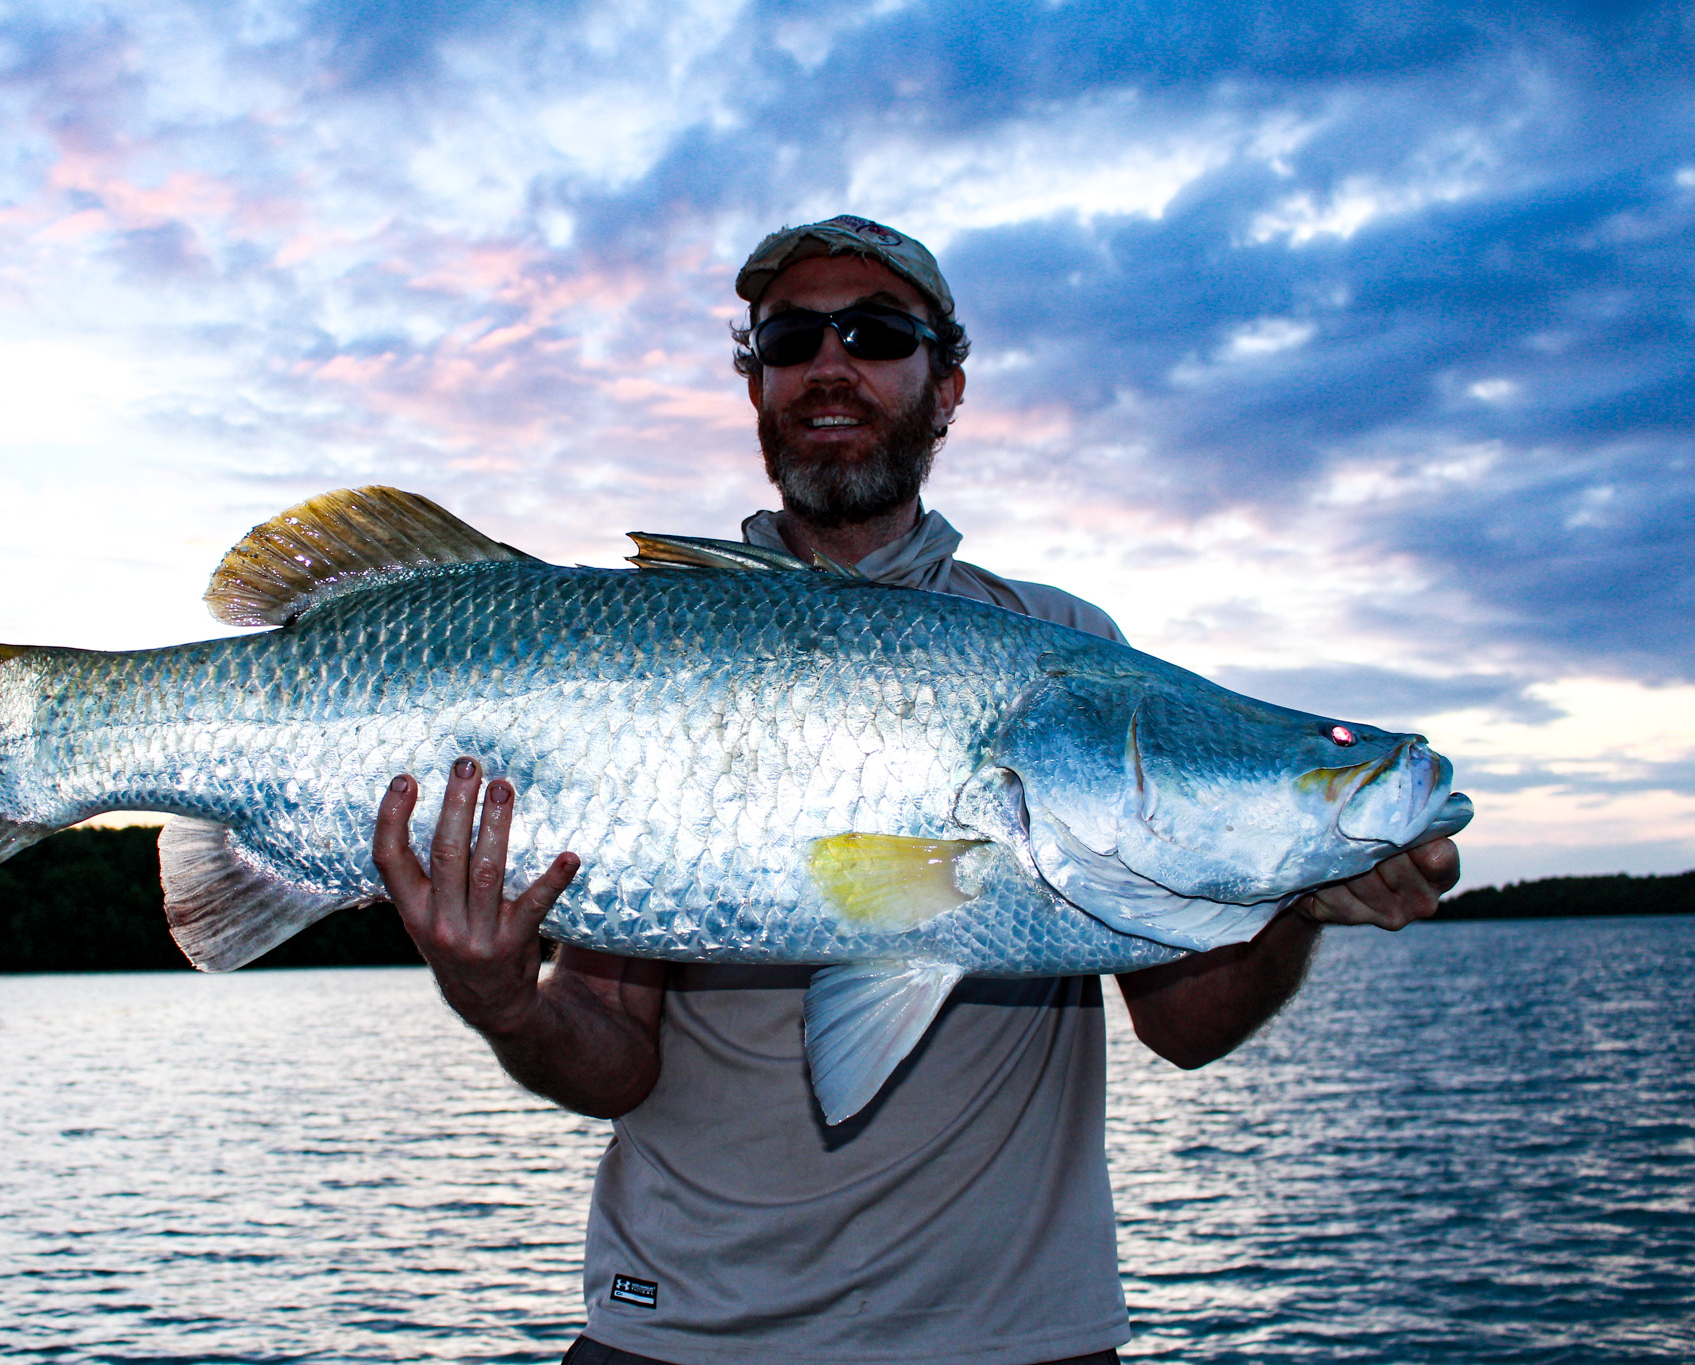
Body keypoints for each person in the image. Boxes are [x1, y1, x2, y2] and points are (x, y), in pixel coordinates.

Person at [370, 216, 1460, 1365]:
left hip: (1016, 1340)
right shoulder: (648, 646)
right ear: (754, 385)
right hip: (681, 1338)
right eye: (790, 338)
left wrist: (1293, 890)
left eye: (877, 333)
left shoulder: (1064, 642)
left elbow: (1184, 1029)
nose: (830, 363)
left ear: (944, 385)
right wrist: (502, 999)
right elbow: (609, 1053)